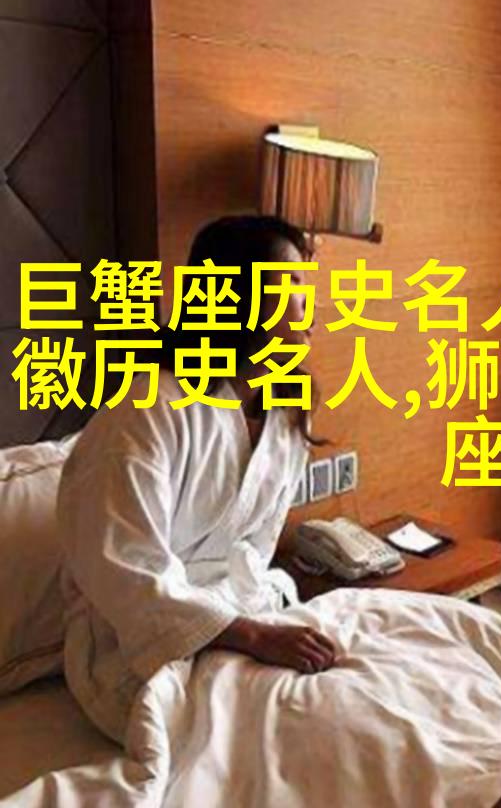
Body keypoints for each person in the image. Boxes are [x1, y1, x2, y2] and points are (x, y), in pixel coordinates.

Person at [57, 215, 338, 743]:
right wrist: (252, 638)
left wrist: (263, 627)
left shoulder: (286, 413)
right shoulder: (145, 413)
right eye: (292, 283)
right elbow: (128, 573)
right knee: (317, 728)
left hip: (242, 615)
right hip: (138, 652)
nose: (309, 305)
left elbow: (255, 550)